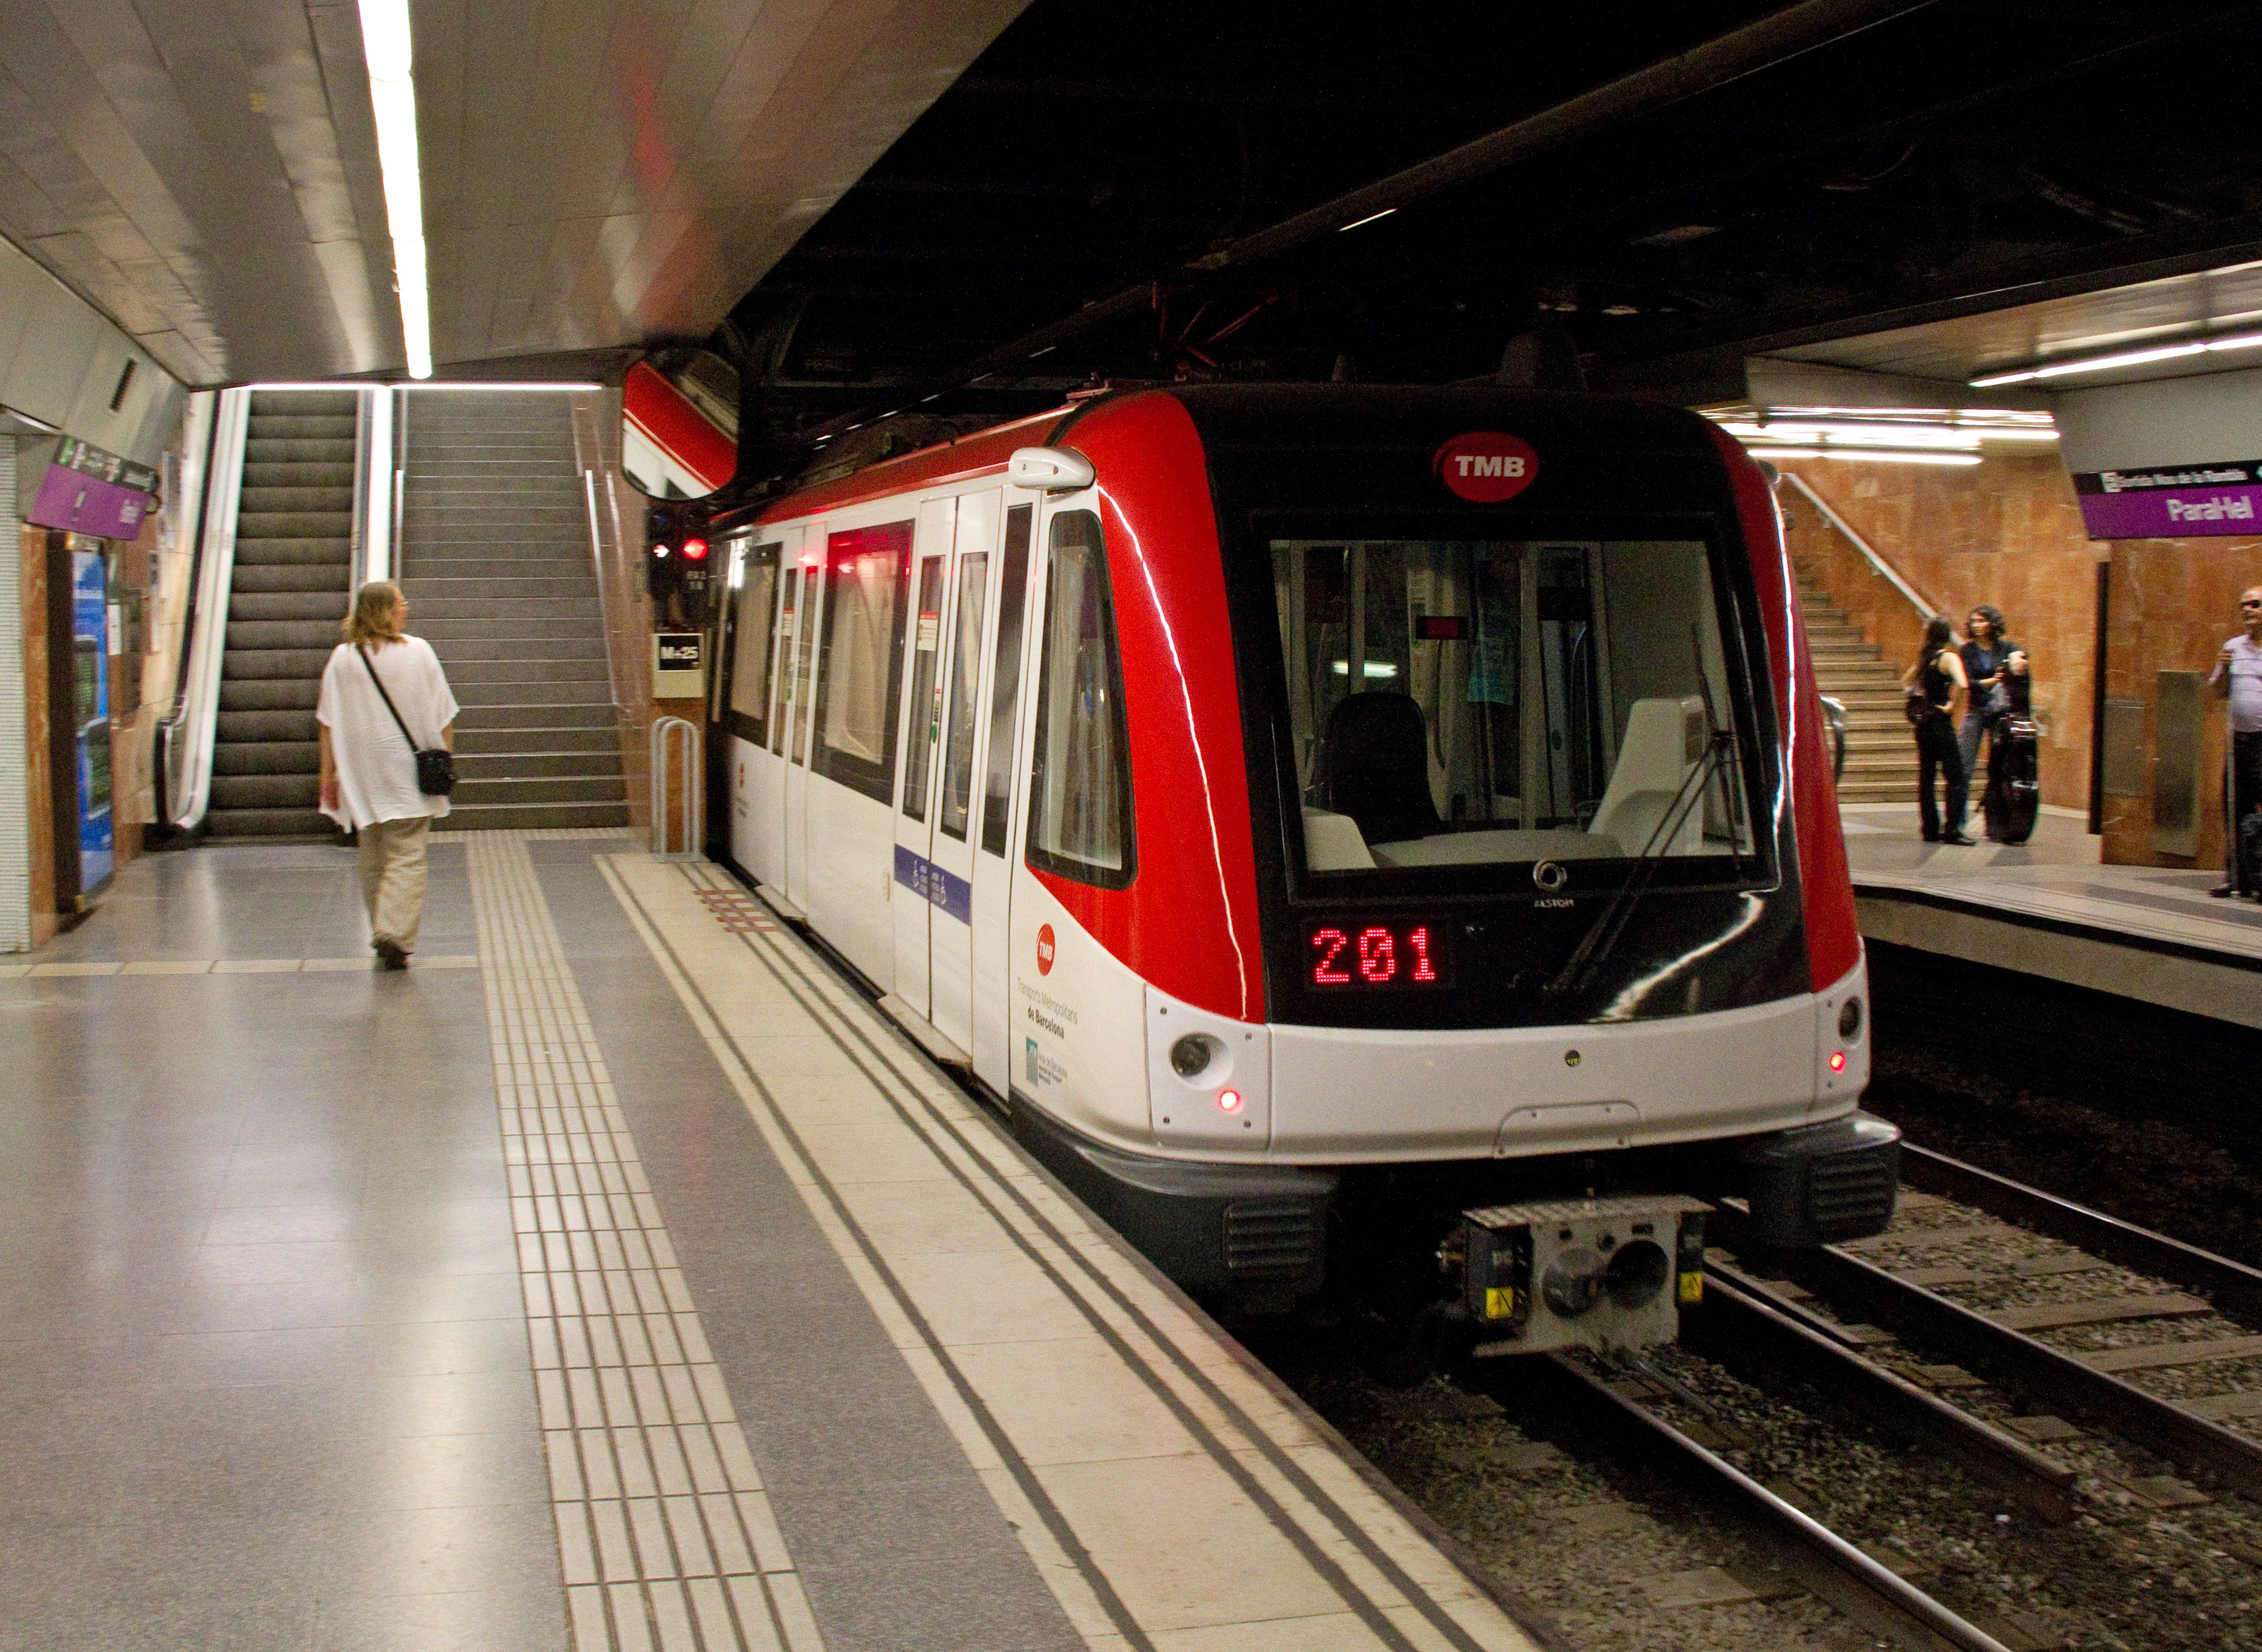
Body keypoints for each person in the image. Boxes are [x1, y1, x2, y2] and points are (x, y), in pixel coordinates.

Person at [317, 581, 459, 967]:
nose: (406, 609)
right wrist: (444, 757)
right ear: (384, 610)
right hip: (407, 774)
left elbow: (327, 722)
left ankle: (382, 926)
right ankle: (392, 931)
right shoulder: (418, 652)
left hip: (361, 775)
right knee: (407, 855)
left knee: (374, 856)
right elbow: (444, 712)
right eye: (400, 603)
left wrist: (327, 775)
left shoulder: (342, 659)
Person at [2208, 585, 2262, 899]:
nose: (2247, 610)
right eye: (2244, 605)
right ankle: (2236, 876)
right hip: (2238, 744)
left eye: (2254, 604)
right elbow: (2218, 693)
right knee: (2233, 808)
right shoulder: (2232, 648)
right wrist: (2226, 670)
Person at [1905, 615, 1973, 844]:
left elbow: (1907, 684)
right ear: (1947, 635)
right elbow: (1964, 684)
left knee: (1927, 777)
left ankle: (1930, 829)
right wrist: (1952, 705)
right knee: (1956, 776)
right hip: (1941, 723)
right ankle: (1953, 829)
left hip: (1923, 725)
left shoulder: (1925, 659)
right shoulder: (1948, 658)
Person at [1957, 605, 2010, 829]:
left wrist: (2018, 661)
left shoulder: (2005, 648)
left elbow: (2021, 659)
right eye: (1974, 622)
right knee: (1964, 765)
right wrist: (1989, 682)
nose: (1976, 626)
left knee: (2000, 766)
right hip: (1976, 710)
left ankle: (1996, 821)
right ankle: (1958, 820)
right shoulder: (1967, 651)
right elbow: (1966, 681)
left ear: (1992, 623)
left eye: (1981, 621)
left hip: (1999, 712)